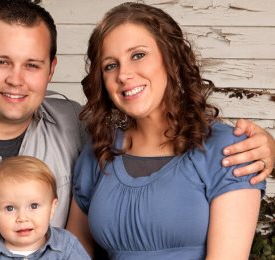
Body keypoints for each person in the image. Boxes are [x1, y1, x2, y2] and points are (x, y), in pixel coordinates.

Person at [0, 0, 275, 258]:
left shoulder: (75, 127)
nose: (17, 79)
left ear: (51, 70)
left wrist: (266, 143)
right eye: (1, 62)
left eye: (31, 65)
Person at [66, 2, 265, 259]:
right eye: (110, 65)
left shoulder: (228, 149)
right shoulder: (100, 151)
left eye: (138, 55)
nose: (124, 74)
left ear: (170, 58)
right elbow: (71, 251)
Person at [0, 156, 90, 259]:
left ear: (52, 208)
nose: (22, 218)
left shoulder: (66, 245)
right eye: (10, 208)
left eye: (33, 206)